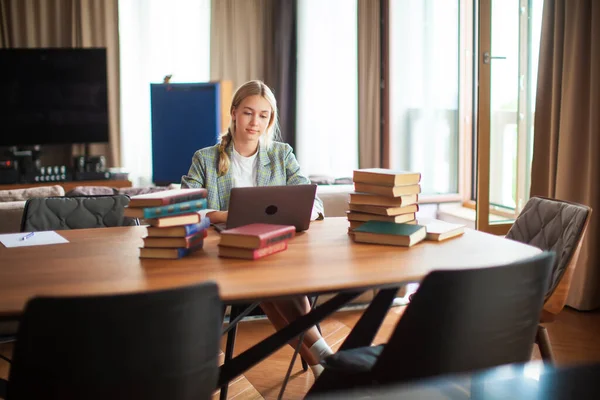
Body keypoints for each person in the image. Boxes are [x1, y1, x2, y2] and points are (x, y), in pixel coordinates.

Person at [181, 80, 332, 377]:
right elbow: (187, 209)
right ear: (234, 112)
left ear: (270, 120)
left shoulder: (281, 154)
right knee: (276, 283)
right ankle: (326, 356)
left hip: (273, 250)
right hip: (225, 256)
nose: (255, 122)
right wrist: (227, 216)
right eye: (249, 113)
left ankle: (320, 363)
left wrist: (306, 212)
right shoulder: (206, 158)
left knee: (272, 282)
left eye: (264, 115)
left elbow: (312, 199)